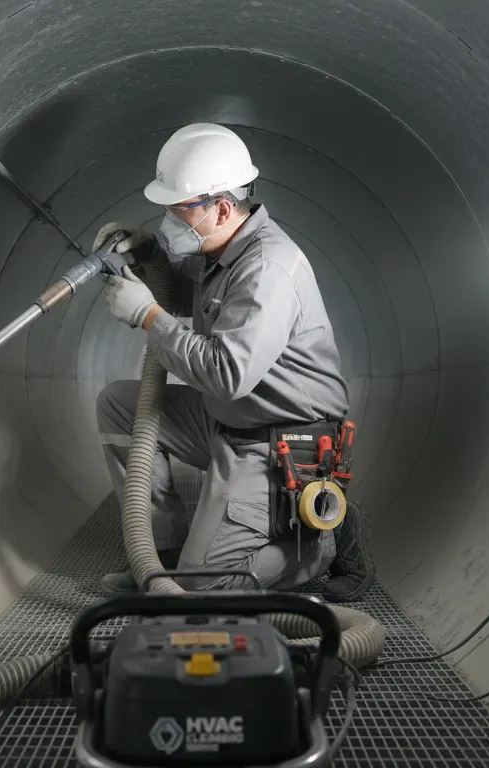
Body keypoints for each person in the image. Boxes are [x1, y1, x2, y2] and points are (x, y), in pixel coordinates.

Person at [93, 123, 372, 599]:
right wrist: (147, 254)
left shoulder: (267, 267)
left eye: (177, 211)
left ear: (221, 208)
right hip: (229, 424)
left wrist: (146, 315)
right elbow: (184, 293)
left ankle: (320, 540)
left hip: (281, 443)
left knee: (206, 585)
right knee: (119, 405)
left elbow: (225, 375)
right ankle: (159, 555)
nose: (169, 221)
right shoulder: (220, 248)